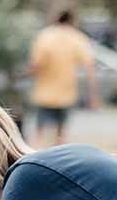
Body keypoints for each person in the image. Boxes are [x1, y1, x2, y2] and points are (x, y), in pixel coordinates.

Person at [28, 8, 101, 147]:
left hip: (44, 93)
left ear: (56, 18)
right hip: (66, 94)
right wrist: (94, 95)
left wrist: (23, 74)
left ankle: (33, 157)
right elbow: (90, 68)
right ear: (72, 20)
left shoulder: (45, 35)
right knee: (60, 135)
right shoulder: (78, 38)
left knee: (39, 131)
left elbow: (36, 65)